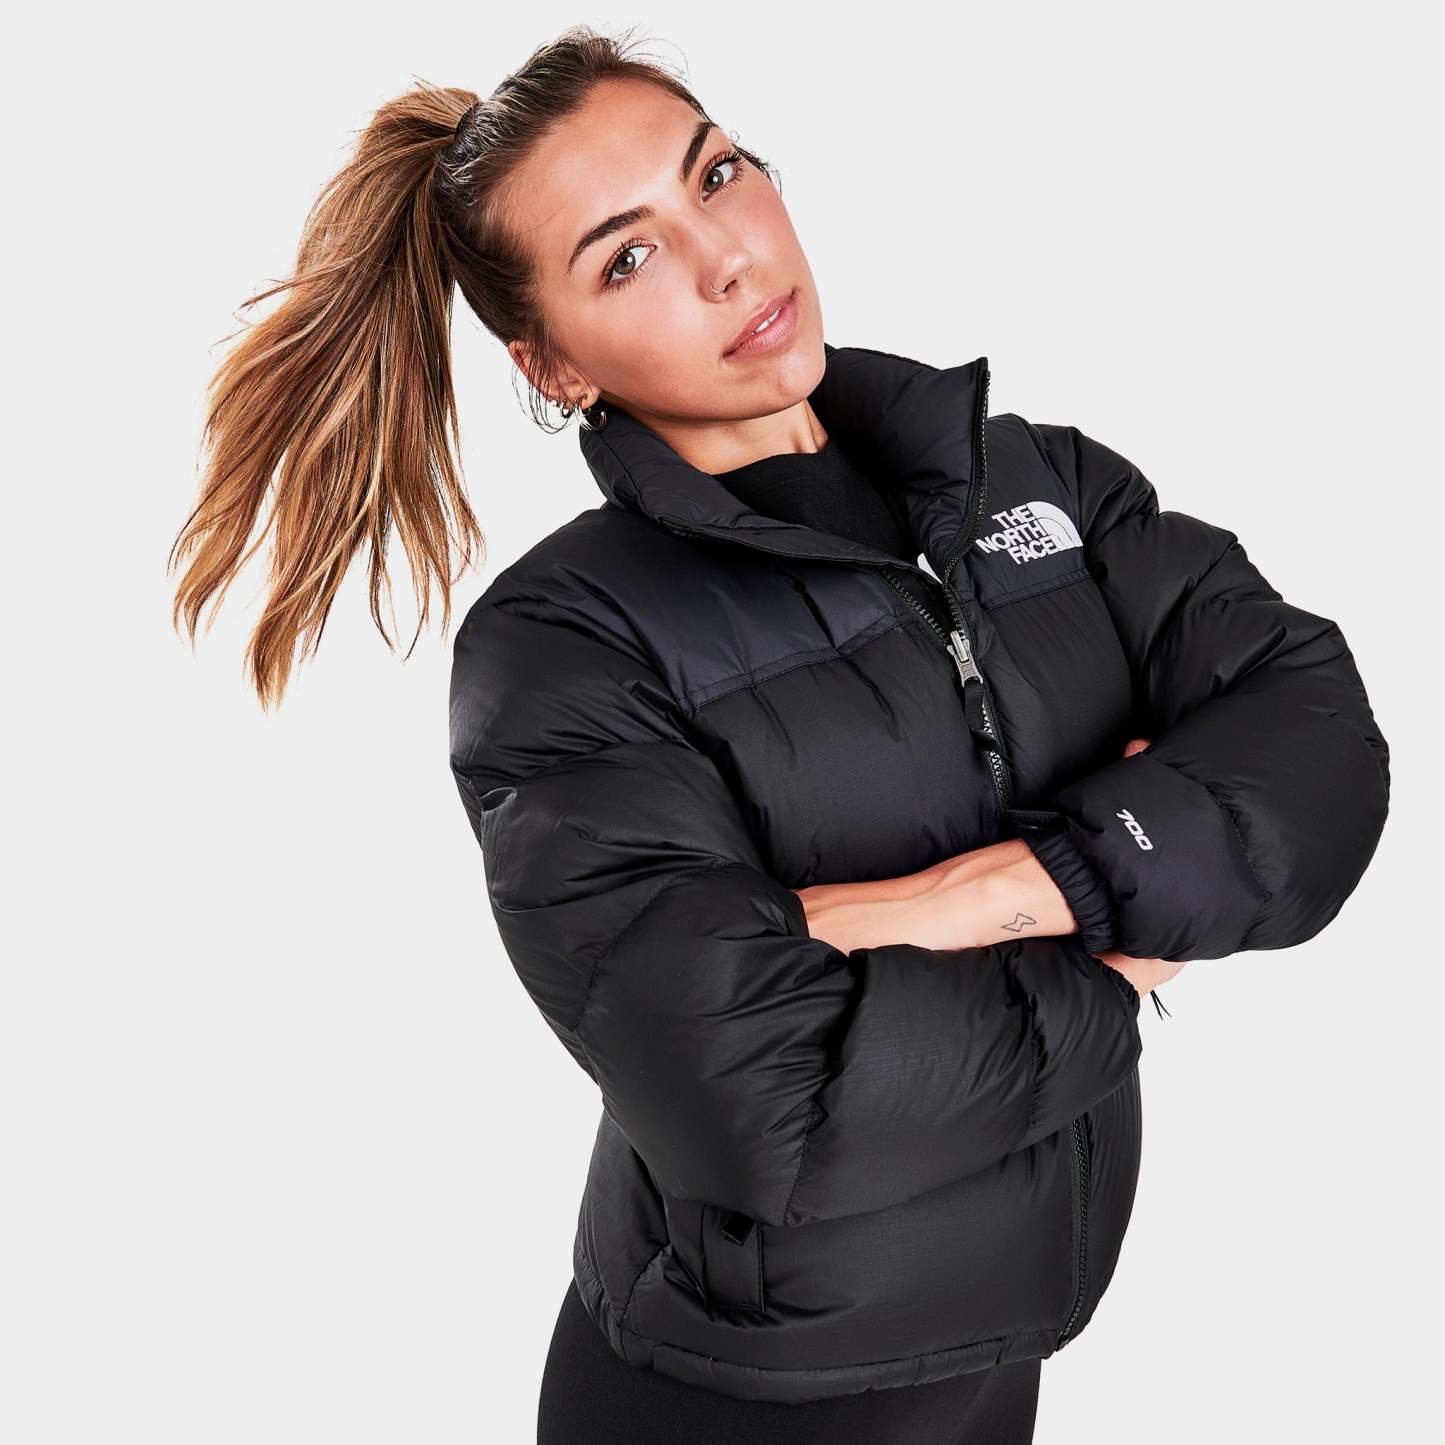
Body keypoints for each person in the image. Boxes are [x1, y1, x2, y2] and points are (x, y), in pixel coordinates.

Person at [169, 24, 1392, 1444]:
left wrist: (978, 895)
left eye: (716, 174)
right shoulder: (563, 647)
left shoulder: (1028, 480)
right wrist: (1127, 946)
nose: (725, 259)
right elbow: (766, 1105)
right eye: (626, 257)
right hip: (733, 1398)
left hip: (1004, 1341)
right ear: (554, 366)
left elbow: (1317, 738)